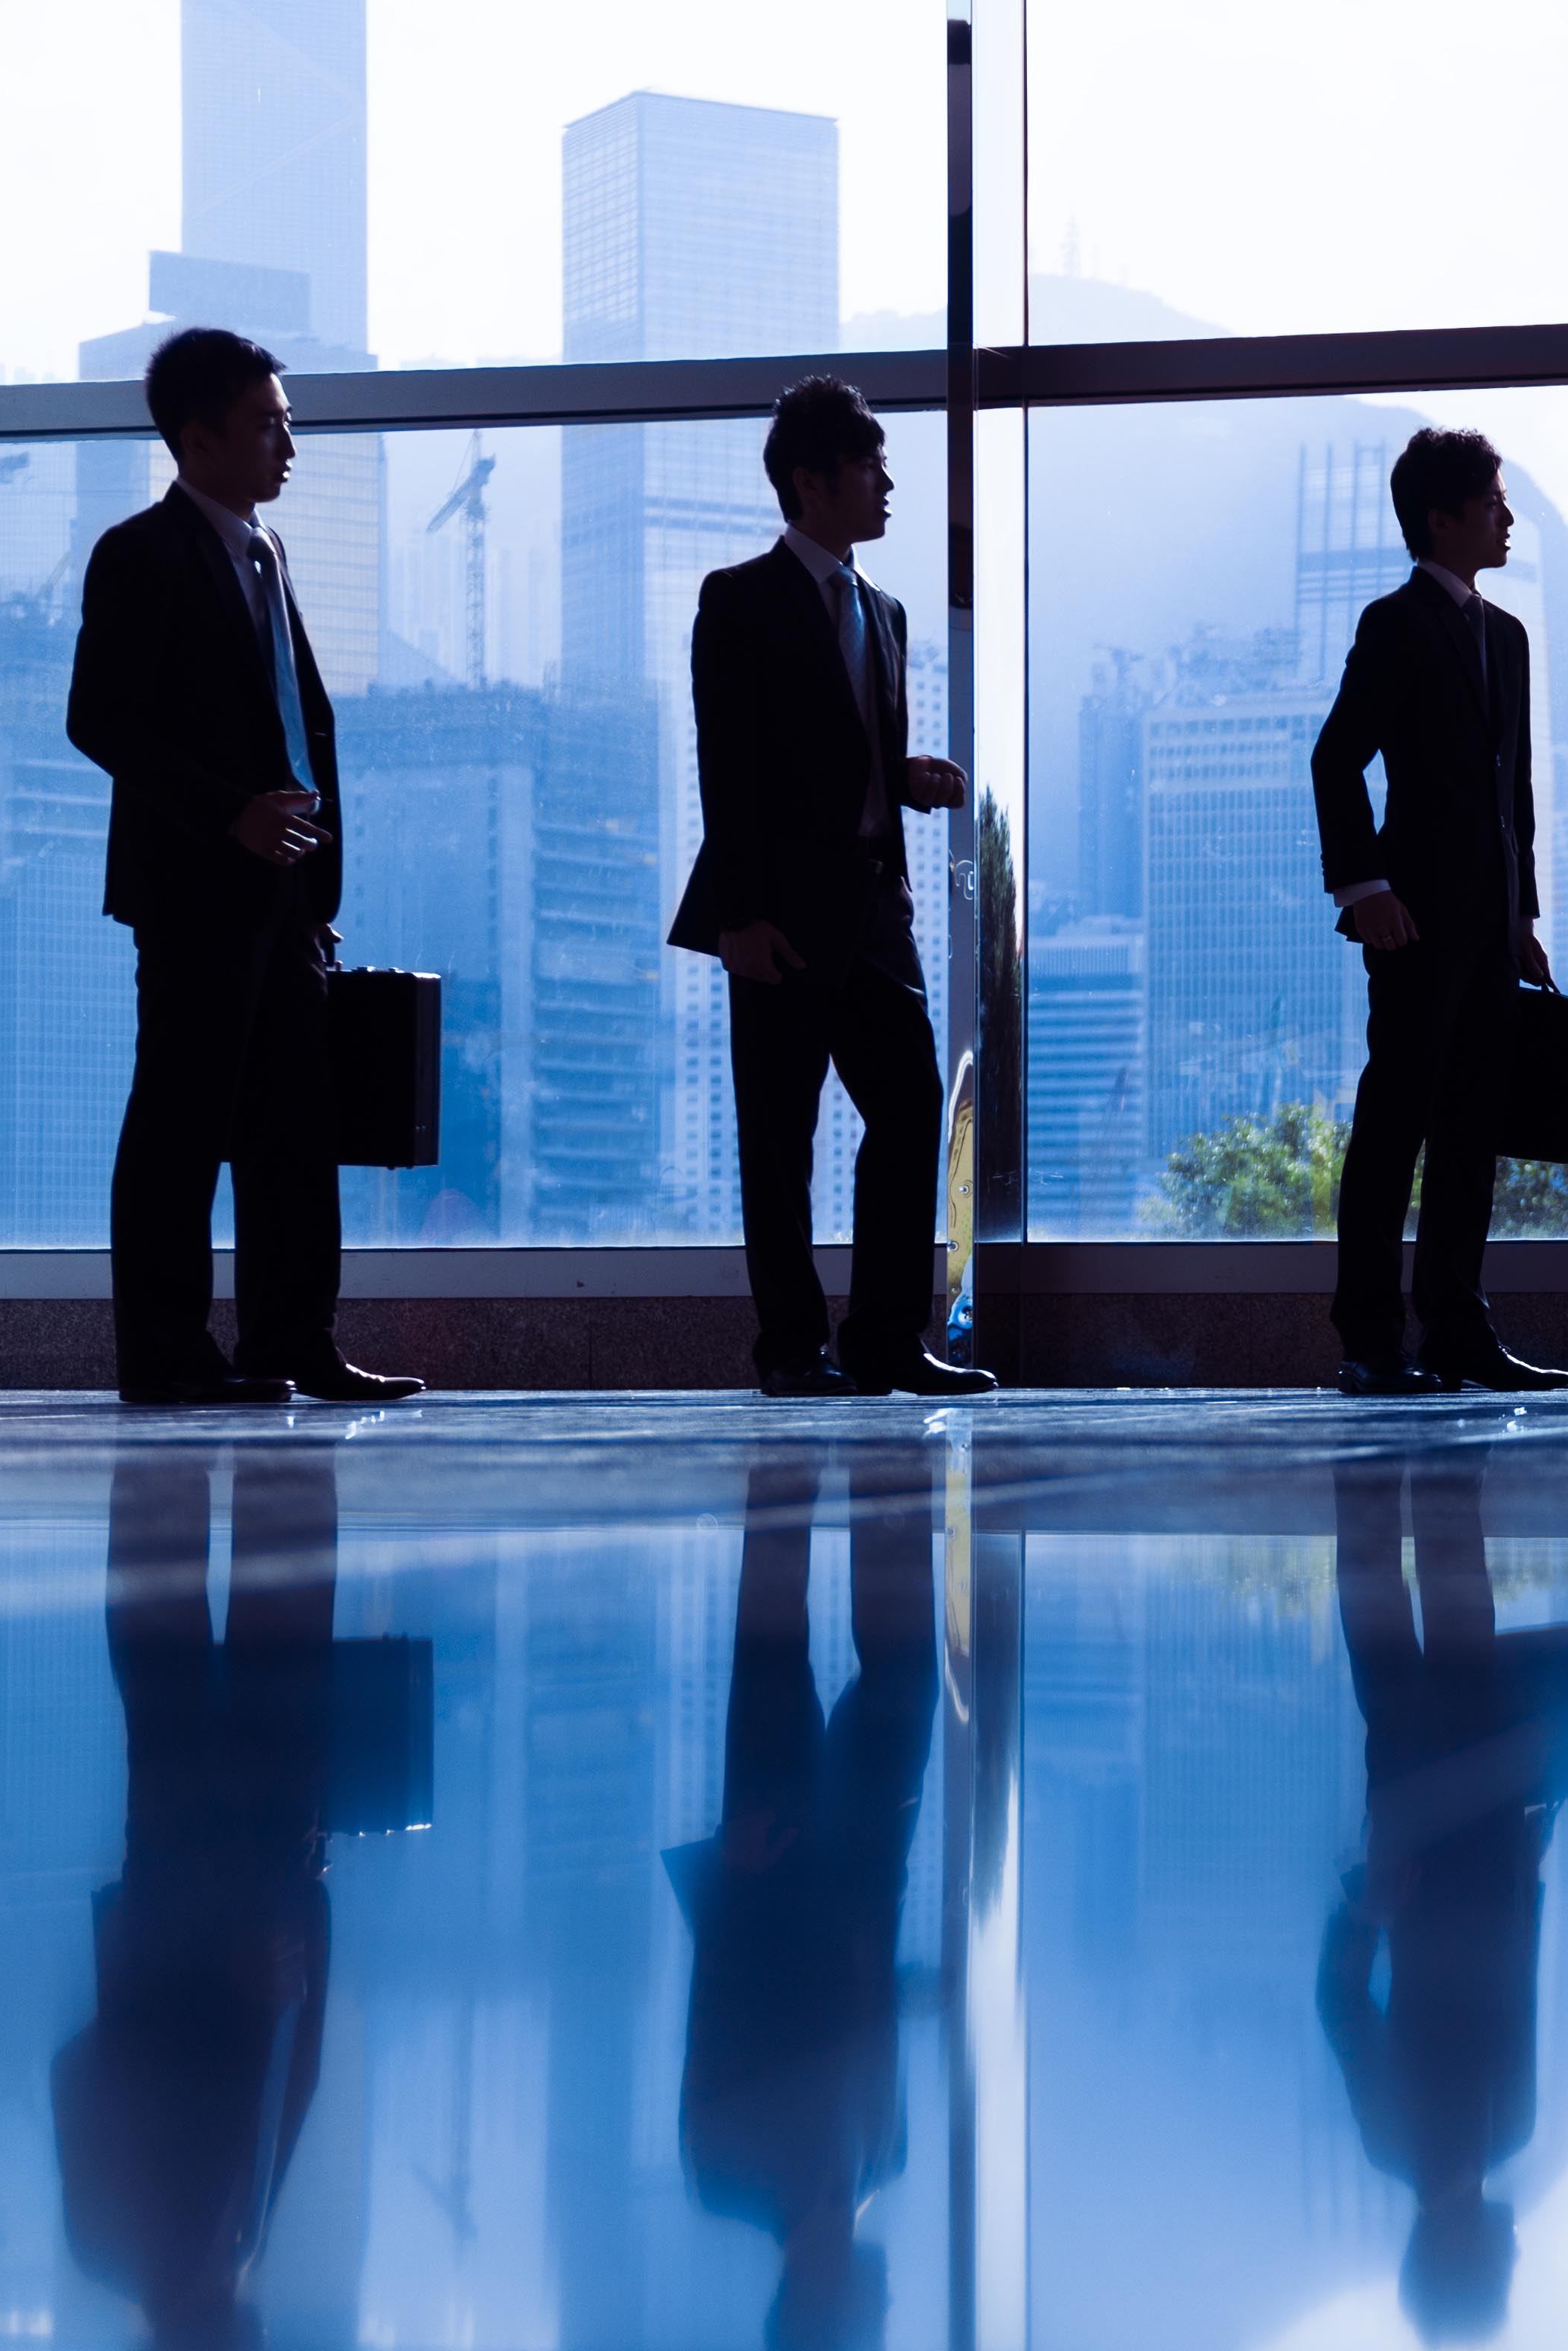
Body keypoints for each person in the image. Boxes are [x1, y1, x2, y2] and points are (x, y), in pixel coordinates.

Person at [66, 326, 420, 1407]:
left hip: (284, 897)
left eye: (288, 422)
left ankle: (291, 1342)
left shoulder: (269, 557)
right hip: (193, 894)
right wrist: (231, 819)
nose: (289, 446)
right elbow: (102, 720)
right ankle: (168, 1356)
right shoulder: (142, 554)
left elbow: (298, 729)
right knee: (179, 1123)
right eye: (269, 424)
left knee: (292, 1132)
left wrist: (315, 889)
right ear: (196, 435)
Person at [667, 377, 994, 1399]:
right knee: (780, 1141)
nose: (889, 484)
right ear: (811, 482)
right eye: (869, 467)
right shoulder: (740, 598)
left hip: (873, 909)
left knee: (907, 1115)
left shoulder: (884, 611)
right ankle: (792, 1350)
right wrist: (737, 920)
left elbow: (847, 755)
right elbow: (731, 763)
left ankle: (887, 1340)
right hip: (779, 917)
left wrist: (907, 778)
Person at [51, 1445, 341, 2351]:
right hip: (266, 1869)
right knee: (274, 1628)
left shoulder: (117, 2245)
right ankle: (273, 1423)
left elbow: (89, 2069)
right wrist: (304, 1938)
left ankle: (169, 1444)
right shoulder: (241, 2239)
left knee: (177, 1651)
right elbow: (290, 2062)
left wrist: (227, 1973)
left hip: (185, 1872)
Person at [1310, 429, 1568, 1397]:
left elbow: (1518, 800)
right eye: (1494, 502)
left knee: (1470, 1132)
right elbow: (1337, 757)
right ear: (1441, 517)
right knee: (1395, 1125)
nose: (1507, 518)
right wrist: (1365, 890)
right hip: (1412, 923)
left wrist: (1522, 916)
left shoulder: (1508, 635)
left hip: (1489, 928)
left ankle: (1459, 1330)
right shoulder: (1396, 623)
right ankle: (1370, 1340)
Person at [674, 1444, 939, 2351]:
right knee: (902, 1671)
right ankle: (892, 1470)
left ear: (825, 2309)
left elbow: (707, 2020)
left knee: (772, 1641)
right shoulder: (886, 2155)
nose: (893, 2307)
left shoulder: (724, 2177)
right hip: (867, 1868)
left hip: (771, 1866)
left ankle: (786, 1461)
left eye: (877, 2323)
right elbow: (871, 2007)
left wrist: (727, 1868)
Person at [1321, 1455, 1568, 2343]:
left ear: (1472, 2259)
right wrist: (1370, 1914)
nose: (1518, 2262)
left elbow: (1507, 1985)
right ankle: (1377, 1470)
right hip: (1429, 1848)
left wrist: (1523, 1877)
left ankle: (1427, 1469)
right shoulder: (1409, 2143)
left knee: (1452, 1626)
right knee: (1395, 1640)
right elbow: (1346, 2005)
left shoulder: (1507, 2131)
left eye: (1499, 2279)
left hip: (1467, 1845)